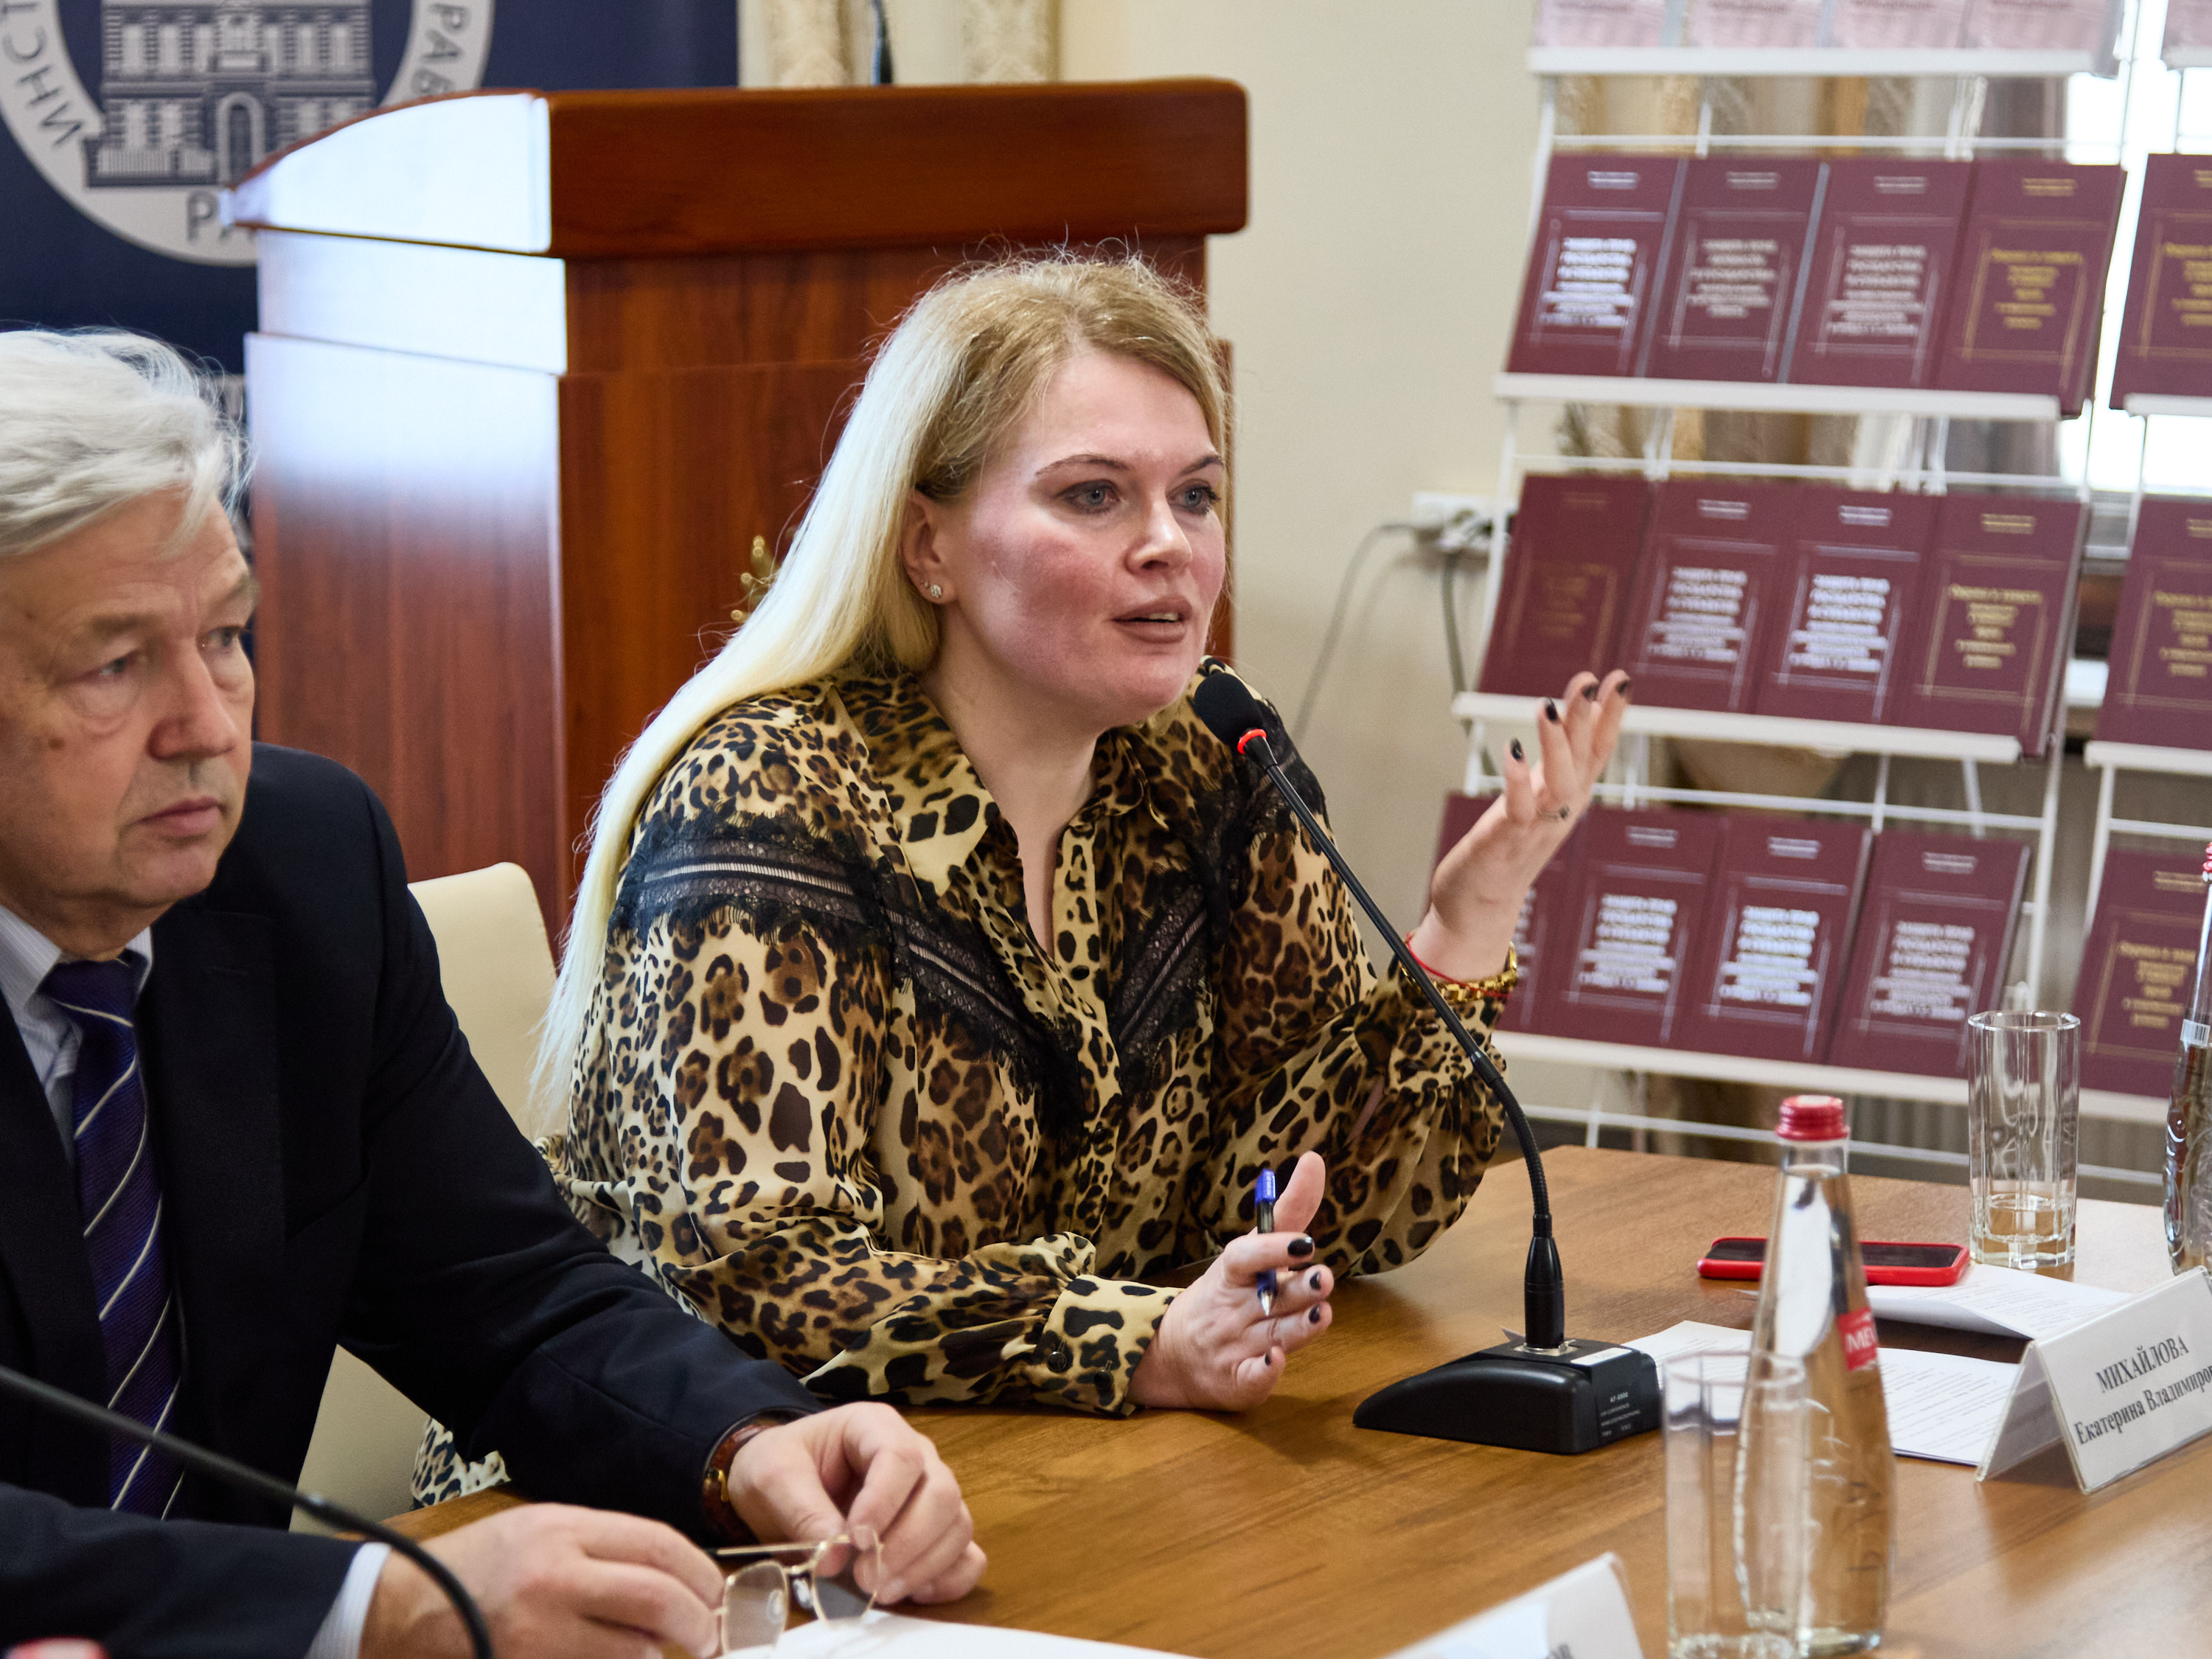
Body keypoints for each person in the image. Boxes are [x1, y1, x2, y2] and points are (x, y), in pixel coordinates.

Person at [481, 258, 1623, 1451]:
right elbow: (760, 1275)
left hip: (1060, 1468)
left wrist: (1466, 921)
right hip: (683, 1488)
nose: (1168, 544)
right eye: (1093, 496)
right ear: (927, 544)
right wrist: (1137, 1341)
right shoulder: (769, 803)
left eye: (1196, 495)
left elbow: (1313, 1207)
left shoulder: (1212, 761)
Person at [0, 328, 984, 1659]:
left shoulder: (300, 873)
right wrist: (376, 1603)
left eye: (226, 636)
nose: (208, 723)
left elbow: (509, 1292)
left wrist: (748, 1442)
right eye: (115, 664)